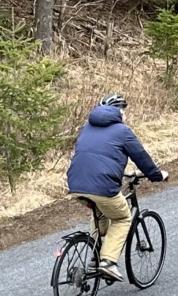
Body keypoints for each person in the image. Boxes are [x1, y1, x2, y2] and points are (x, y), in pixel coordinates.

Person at [66, 93, 169, 282]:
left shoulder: (86, 128)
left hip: (76, 184)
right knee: (122, 218)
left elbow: (93, 155)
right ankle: (108, 262)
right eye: (124, 111)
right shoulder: (122, 131)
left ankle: (95, 256)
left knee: (100, 213)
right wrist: (157, 175)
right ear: (119, 111)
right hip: (102, 186)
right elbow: (141, 157)